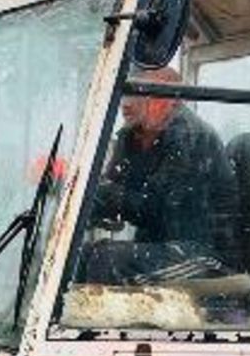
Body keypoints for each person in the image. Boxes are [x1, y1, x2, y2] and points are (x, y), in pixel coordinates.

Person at [86, 69, 234, 281]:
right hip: (158, 247)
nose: (125, 104)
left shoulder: (192, 137)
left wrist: (104, 194)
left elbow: (160, 209)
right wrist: (79, 199)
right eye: (126, 94)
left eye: (138, 94)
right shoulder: (130, 137)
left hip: (203, 253)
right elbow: (112, 194)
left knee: (106, 260)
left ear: (168, 100)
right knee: (81, 258)